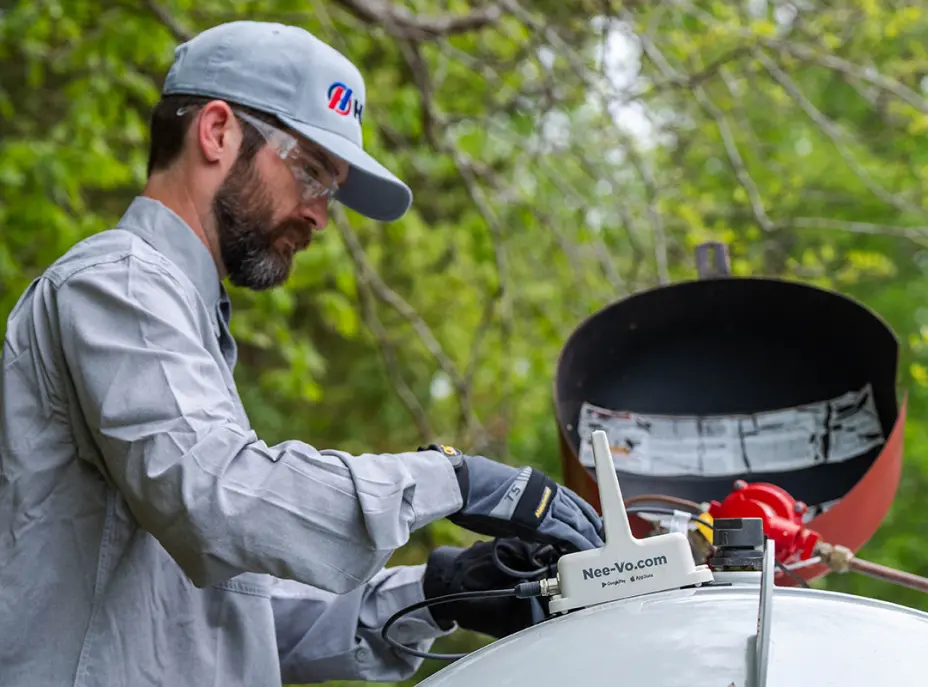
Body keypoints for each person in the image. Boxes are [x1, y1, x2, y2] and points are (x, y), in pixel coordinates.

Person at [0, 20, 604, 687]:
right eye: (312, 174)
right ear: (218, 131)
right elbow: (217, 499)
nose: (320, 215)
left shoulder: (183, 324)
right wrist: (456, 480)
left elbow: (233, 619)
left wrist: (444, 589)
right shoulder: (118, 286)